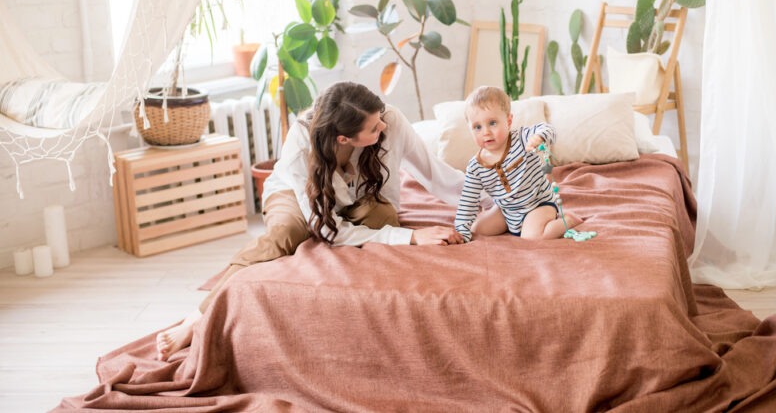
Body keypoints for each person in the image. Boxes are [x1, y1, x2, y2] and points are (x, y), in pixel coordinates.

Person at [156, 81, 469, 360]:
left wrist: (494, 202)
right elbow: (325, 228)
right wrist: (411, 237)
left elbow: (435, 173)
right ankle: (195, 319)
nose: (383, 127)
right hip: (295, 195)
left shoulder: (390, 120)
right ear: (345, 138)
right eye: (374, 129)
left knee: (384, 216)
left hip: (355, 202)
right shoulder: (300, 142)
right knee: (286, 232)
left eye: (381, 119)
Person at [454, 86, 580, 241]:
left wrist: (539, 137)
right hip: (507, 212)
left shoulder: (522, 138)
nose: (486, 132)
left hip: (537, 204)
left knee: (532, 236)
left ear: (508, 121)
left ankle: (567, 221)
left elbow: (548, 129)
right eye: (477, 127)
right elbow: (468, 202)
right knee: (476, 228)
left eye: (492, 123)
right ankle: (513, 224)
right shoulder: (475, 167)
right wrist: (462, 231)